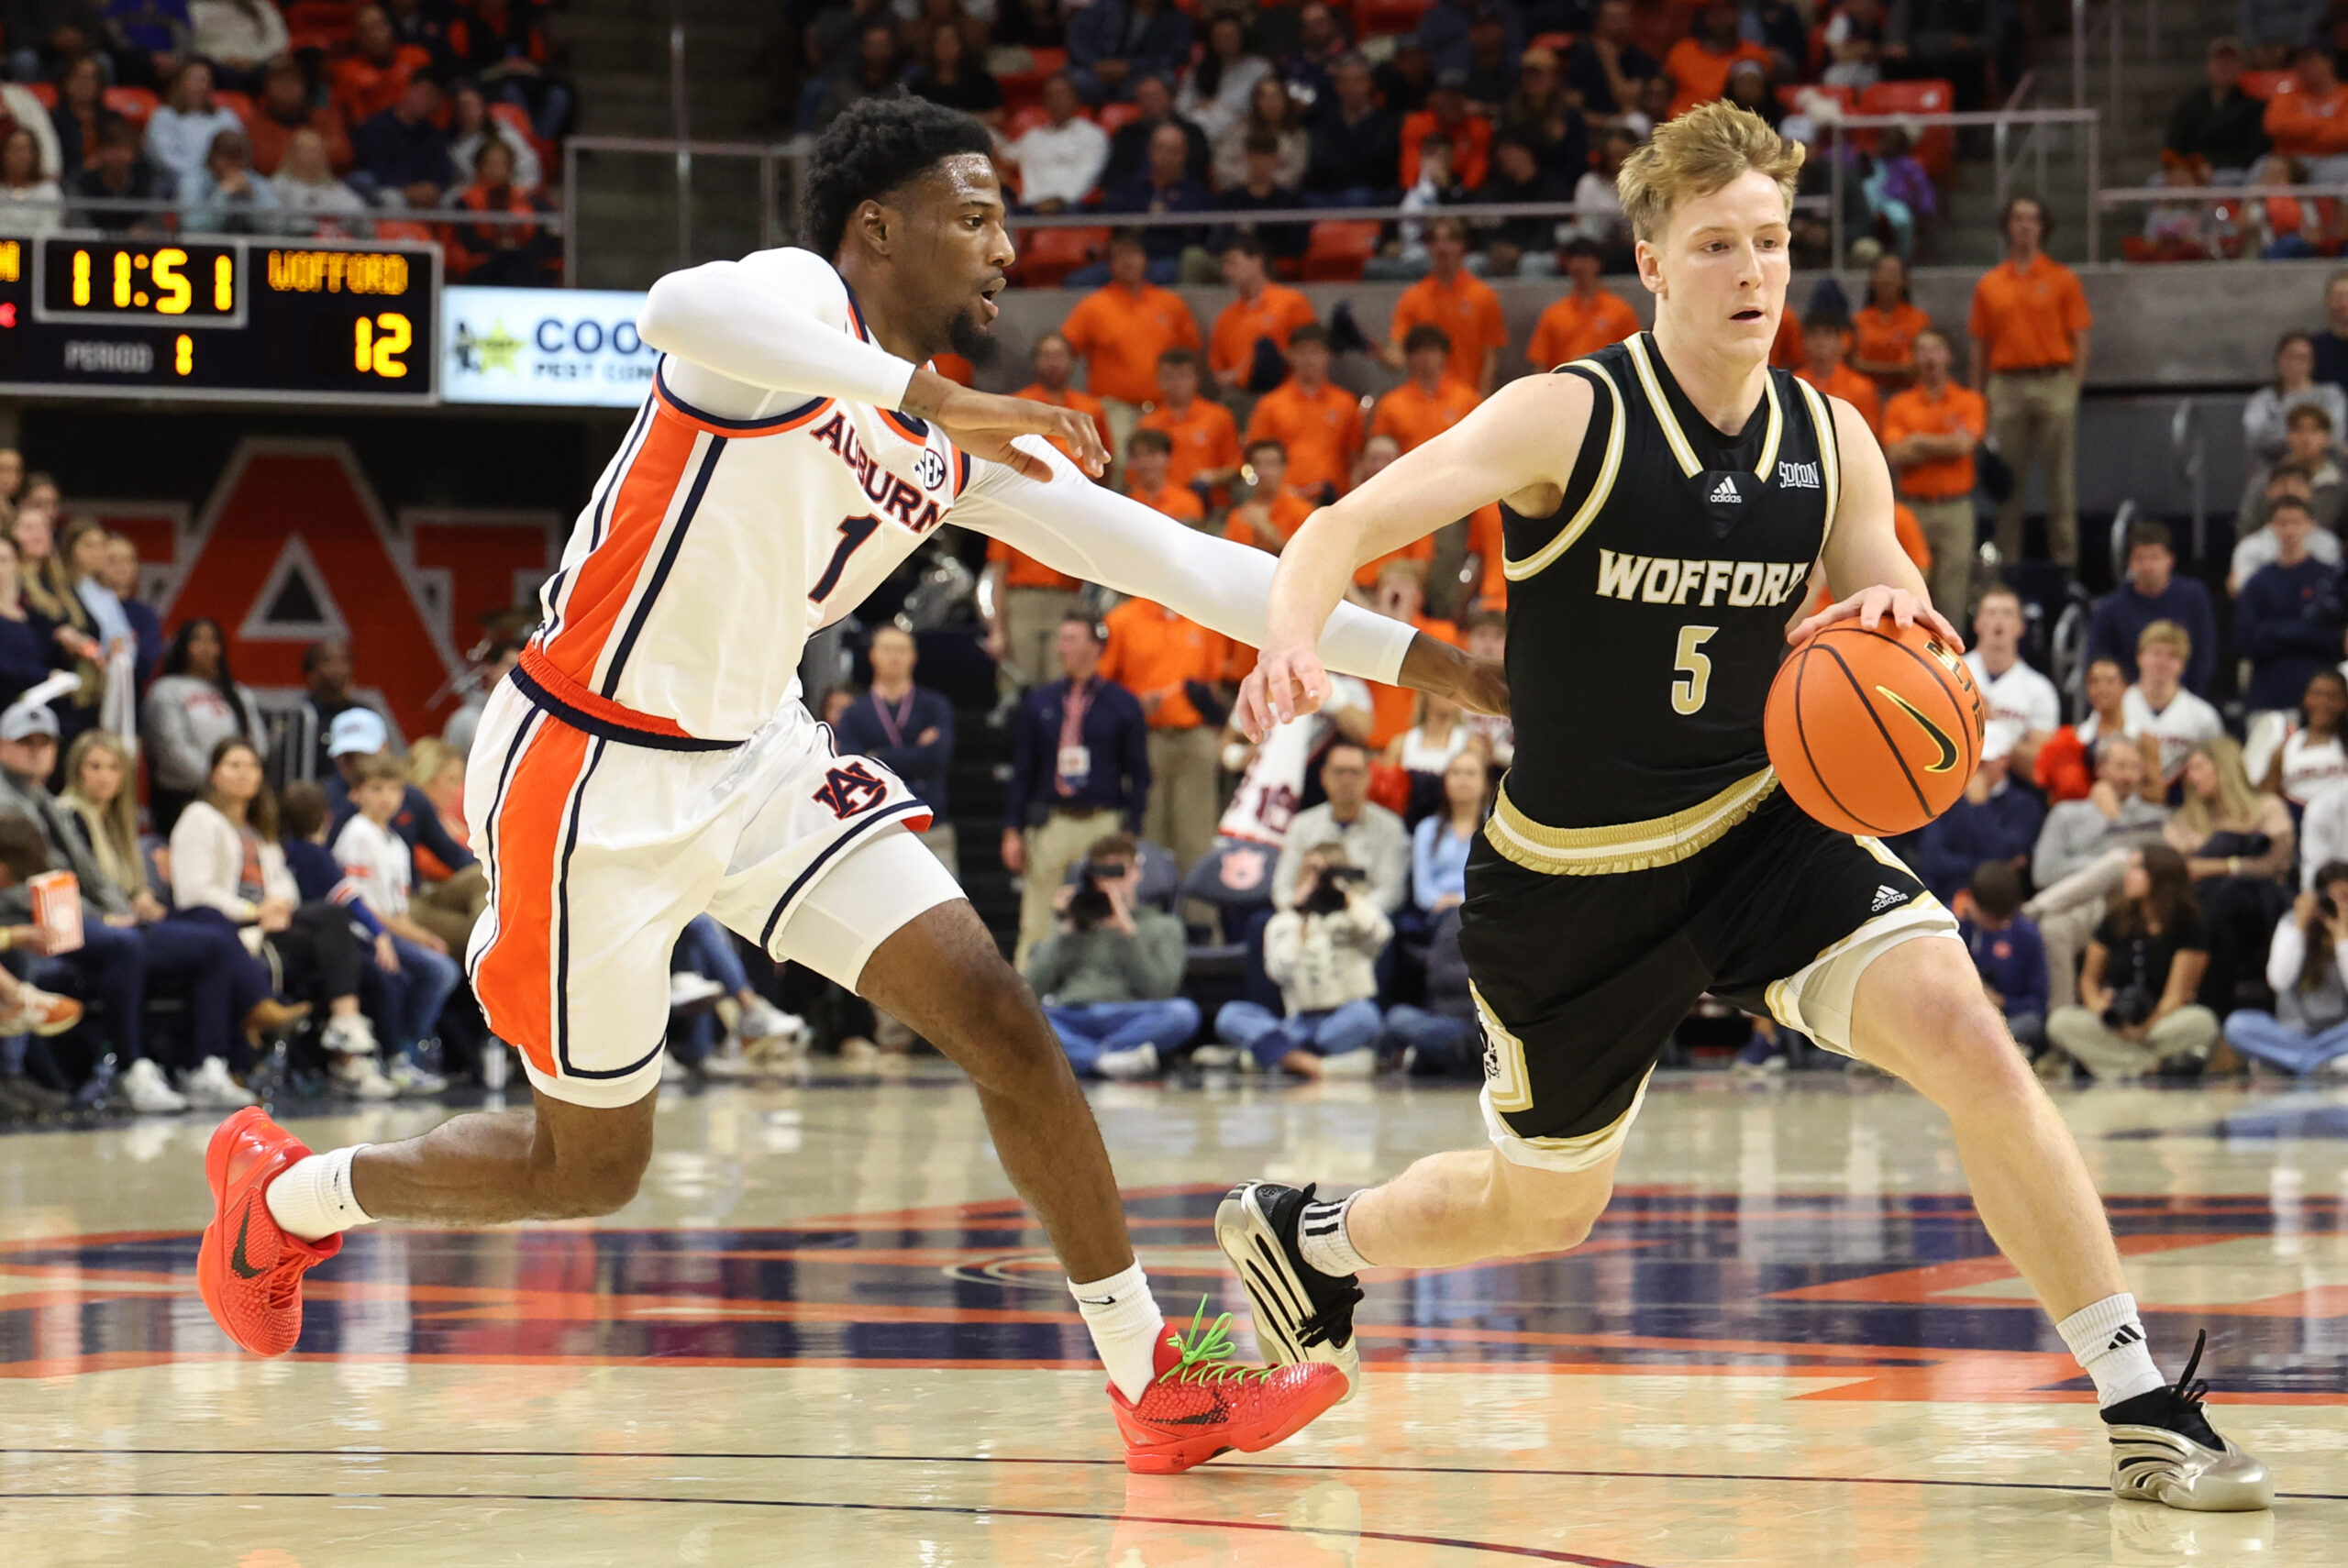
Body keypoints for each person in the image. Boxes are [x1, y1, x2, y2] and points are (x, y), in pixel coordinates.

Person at [190, 94, 1493, 1476]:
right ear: (880, 228)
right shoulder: (795, 301)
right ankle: (291, 1196)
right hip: (587, 771)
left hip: (759, 758)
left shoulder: (952, 449)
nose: (1004, 250)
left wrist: (1449, 667)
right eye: (976, 217)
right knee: (591, 1168)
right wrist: (935, 395)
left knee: (997, 1011)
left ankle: (1153, 1376)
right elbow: (676, 303)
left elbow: (1196, 569)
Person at [1215, 99, 2270, 1512]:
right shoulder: (1567, 415)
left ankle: (2141, 1396)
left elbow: (1889, 580)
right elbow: (1340, 528)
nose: (1752, 272)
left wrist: (1905, 609)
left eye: (1771, 240)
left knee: (1972, 1036)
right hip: (1573, 877)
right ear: (1651, 259)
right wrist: (1292, 635)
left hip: (1766, 829)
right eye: (1717, 243)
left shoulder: (1831, 439)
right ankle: (1314, 1233)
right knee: (1547, 1208)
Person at [172, 736, 392, 1099]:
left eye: (253, 766)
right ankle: (333, 1047)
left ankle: (345, 1033)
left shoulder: (260, 827)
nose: (245, 774)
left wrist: (277, 906)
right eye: (234, 765)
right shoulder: (199, 819)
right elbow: (193, 892)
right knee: (331, 935)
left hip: (269, 922)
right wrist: (253, 911)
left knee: (334, 920)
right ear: (214, 773)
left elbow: (285, 884)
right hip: (225, 922)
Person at [1006, 613, 1151, 965]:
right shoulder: (1040, 702)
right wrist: (1012, 829)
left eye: (1071, 639)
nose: (1061, 647)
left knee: (1102, 910)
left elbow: (1140, 772)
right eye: (1061, 639)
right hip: (1053, 820)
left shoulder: (1122, 703)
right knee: (1037, 917)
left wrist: (1130, 827)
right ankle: (1029, 996)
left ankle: (1095, 987)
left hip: (1102, 821)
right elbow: (1023, 768)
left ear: (1095, 647)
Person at [1969, 195, 2092, 569]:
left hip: (2053, 381)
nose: (2024, 226)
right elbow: (1980, 347)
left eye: (2032, 219)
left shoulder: (2062, 279)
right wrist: (1979, 401)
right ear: (2008, 226)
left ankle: (2066, 566)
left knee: (2060, 483)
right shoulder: (1990, 284)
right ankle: (2008, 569)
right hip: (2006, 387)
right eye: (2017, 218)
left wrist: (2073, 386)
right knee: (2008, 486)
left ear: (2043, 227)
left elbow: (2081, 337)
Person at [331, 753, 459, 1094]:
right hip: (361, 933)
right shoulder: (357, 834)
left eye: (394, 789)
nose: (386, 797)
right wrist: (412, 934)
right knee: (439, 971)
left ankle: (401, 1053)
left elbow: (399, 909)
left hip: (389, 931)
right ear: (358, 793)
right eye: (376, 788)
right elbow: (362, 906)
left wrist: (422, 935)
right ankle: (401, 1056)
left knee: (438, 963)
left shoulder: (398, 843)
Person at [1023, 833, 1196, 1079]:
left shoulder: (1163, 925)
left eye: (1117, 872)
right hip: (1073, 1013)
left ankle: (1085, 1057)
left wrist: (1127, 932)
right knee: (1022, 1018)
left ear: (1136, 873)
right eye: (1101, 873)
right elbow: (1030, 989)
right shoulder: (1076, 921)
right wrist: (1063, 933)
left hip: (1129, 1015)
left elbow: (1160, 990)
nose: (1109, 882)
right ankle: (1107, 1060)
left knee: (1182, 1013)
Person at [2044, 846, 2221, 1081]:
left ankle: (2112, 1065)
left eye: (2137, 868)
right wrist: (2101, 1010)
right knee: (2060, 1022)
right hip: (2115, 1022)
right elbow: (2088, 980)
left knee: (2202, 1022)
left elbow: (2176, 996)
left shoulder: (2189, 924)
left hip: (2160, 1022)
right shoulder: (2115, 918)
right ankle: (2152, 1068)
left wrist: (2142, 1029)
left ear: (2161, 876)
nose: (2128, 875)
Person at [1213, 844, 1390, 1077]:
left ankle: (1275, 1057)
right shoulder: (1285, 921)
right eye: (1312, 871)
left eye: (1326, 874)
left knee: (1367, 1017)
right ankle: (1316, 1064)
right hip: (1298, 1023)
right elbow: (1279, 971)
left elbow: (1381, 934)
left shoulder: (1357, 914)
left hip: (1344, 1018)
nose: (1319, 881)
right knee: (1231, 1015)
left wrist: (1346, 895)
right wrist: (1300, 918)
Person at [1101, 593, 1225, 877]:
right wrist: (1135, 705)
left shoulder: (1203, 617)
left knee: (1197, 833)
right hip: (1145, 738)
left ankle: (1198, 918)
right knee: (1148, 831)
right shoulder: (1121, 620)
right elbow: (1102, 688)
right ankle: (1147, 908)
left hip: (1195, 735)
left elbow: (1213, 683)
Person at [1058, 228, 1202, 452]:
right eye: (1120, 256)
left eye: (1133, 254)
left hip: (1166, 406)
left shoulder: (1170, 303)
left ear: (1145, 260)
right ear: (1110, 265)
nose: (1128, 262)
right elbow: (1063, 351)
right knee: (1124, 459)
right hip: (1114, 407)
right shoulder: (1093, 306)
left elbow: (1189, 354)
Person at [830, 624, 958, 875]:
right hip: (876, 828)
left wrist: (877, 756)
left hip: (931, 823)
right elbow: (856, 771)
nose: (894, 656)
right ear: (872, 655)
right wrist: (916, 754)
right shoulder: (855, 714)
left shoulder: (935, 706)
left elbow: (939, 757)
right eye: (887, 649)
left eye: (901, 650)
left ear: (914, 657)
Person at [2224, 859, 2348, 1076]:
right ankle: (2318, 1064)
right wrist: (2300, 925)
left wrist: (2341, 937)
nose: (2339, 905)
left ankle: (2299, 1061)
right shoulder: (2292, 924)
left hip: (2339, 1034)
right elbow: (2278, 980)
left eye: (2346, 898)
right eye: (2332, 898)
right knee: (2237, 1025)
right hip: (2291, 1032)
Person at [141, 615, 261, 833]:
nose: (206, 647)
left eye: (213, 640)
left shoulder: (237, 693)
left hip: (235, 800)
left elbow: (257, 745)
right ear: (183, 646)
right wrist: (216, 782)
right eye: (197, 640)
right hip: (183, 797)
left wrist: (239, 779)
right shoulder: (166, 690)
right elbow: (173, 748)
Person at [1272, 741, 1411, 915]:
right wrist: (1298, 907)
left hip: (1362, 921)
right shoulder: (1301, 824)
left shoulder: (1391, 827)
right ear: (1323, 776)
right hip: (1306, 915)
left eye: (1354, 772)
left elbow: (1390, 893)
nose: (1346, 780)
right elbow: (1282, 888)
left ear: (1369, 777)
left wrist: (1349, 911)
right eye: (1338, 772)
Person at [2236, 497, 2343, 720]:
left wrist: (2273, 630)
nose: (2289, 530)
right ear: (2271, 527)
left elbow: (2336, 639)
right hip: (2268, 694)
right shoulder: (2257, 582)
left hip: (2322, 699)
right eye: (2282, 523)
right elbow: (2248, 642)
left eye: (2295, 522)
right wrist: (2307, 629)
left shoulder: (2330, 577)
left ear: (2310, 526)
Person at [2087, 524, 2218, 695]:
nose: (2148, 566)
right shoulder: (2111, 608)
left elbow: (2204, 654)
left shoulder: (2194, 596)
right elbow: (2100, 660)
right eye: (2140, 559)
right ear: (2129, 563)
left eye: (2155, 557)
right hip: (2129, 703)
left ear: (2170, 560)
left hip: (2186, 697)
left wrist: (2184, 701)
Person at [1380, 217, 1507, 394]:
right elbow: (1397, 358)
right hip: (1426, 403)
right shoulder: (1413, 297)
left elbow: (1490, 359)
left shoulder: (1482, 296)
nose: (1442, 247)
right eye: (1435, 240)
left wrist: (1482, 404)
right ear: (1429, 247)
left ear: (1462, 245)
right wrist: (1368, 346)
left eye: (1449, 239)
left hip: (1468, 401)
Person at [1244, 324, 1361, 504]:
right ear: (1289, 356)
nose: (1308, 359)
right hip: (1284, 500)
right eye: (1302, 352)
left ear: (1327, 356)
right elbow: (1256, 459)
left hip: (1334, 500)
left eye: (1315, 352)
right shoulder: (1270, 405)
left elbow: (1355, 458)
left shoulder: (1345, 403)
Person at [1964, 586, 2059, 779]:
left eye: (2007, 614)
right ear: (1978, 623)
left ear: (2020, 626)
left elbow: (2040, 767)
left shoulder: (2039, 689)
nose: (1998, 621)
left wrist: (1993, 725)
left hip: (2012, 791)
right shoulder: (1952, 672)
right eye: (1991, 613)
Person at [1209, 236, 1315, 396]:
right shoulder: (1226, 317)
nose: (1226, 271)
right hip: (1242, 397)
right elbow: (1219, 372)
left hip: (1287, 396)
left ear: (1256, 260)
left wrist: (1274, 356)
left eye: (1232, 263)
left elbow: (1313, 353)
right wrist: (1239, 374)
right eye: (1224, 265)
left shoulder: (1291, 302)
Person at [1964, 860, 2048, 1051]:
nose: (1995, 926)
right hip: (1965, 1013)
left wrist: (2002, 1002)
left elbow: (2038, 1004)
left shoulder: (2027, 935)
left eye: (1999, 921)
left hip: (2009, 1018)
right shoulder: (1955, 925)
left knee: (2027, 1024)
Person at [1137, 348, 1239, 502]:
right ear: (1158, 379)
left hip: (1208, 502)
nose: (1176, 383)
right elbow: (1136, 473)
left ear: (1196, 379)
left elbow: (1235, 466)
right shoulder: (1149, 423)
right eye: (1169, 376)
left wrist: (1213, 476)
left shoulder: (1218, 417)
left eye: (1183, 376)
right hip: (1163, 505)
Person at [1526, 239, 1640, 370]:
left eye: (1585, 258)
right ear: (1567, 266)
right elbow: (1540, 364)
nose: (1579, 265)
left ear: (1598, 264)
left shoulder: (1621, 310)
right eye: (1574, 259)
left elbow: (1634, 357)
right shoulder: (1553, 314)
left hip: (1609, 384)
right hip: (1564, 384)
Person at [269, 636, 366, 788]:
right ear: (310, 671)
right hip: (310, 800)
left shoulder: (364, 715)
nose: (337, 668)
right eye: (328, 661)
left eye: (344, 661)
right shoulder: (297, 716)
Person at [1371, 325, 1479, 458]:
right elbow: (1380, 451)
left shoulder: (1466, 398)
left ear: (1444, 355)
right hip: (1408, 473)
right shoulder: (1391, 404)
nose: (1426, 358)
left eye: (1432, 350)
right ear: (1409, 358)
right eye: (1419, 352)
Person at [1006, 73, 1109, 212]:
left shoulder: (1092, 135)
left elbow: (1087, 175)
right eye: (1051, 96)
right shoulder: (1034, 136)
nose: (1057, 101)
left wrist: (1059, 201)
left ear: (1075, 99)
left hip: (1071, 206)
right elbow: (1007, 155)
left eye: (1062, 95)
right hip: (1029, 206)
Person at [1412, 745, 1489, 912]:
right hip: (1437, 912)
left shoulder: (1497, 830)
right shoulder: (1426, 829)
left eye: (1471, 773)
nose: (1462, 780)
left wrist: (1461, 901)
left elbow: (1497, 884)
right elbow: (1422, 887)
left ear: (1485, 783)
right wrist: (1444, 903)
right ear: (1445, 781)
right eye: (1455, 773)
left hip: (1483, 912)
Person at [2258, 668, 2348, 810]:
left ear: (2344, 702)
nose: (2323, 702)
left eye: (2332, 696)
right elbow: (2267, 799)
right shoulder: (2285, 749)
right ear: (2306, 698)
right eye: (2317, 694)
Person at [143, 59, 242, 186]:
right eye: (196, 80)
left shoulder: (225, 116)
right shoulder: (164, 117)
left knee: (257, 185)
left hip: (225, 179)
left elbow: (239, 151)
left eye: (207, 80)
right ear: (180, 84)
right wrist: (205, 178)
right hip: (177, 184)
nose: (203, 86)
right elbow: (166, 161)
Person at [1794, 310, 1880, 436]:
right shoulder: (1791, 384)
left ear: (1841, 341)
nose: (1820, 341)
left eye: (1827, 334)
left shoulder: (1862, 388)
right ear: (1803, 342)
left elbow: (1870, 436)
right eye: (1813, 334)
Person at [0, 123, 62, 235]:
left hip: (36, 250)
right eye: (14, 149)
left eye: (25, 150)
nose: (20, 156)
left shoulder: (48, 191)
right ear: (4, 154)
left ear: (34, 154)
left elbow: (50, 231)